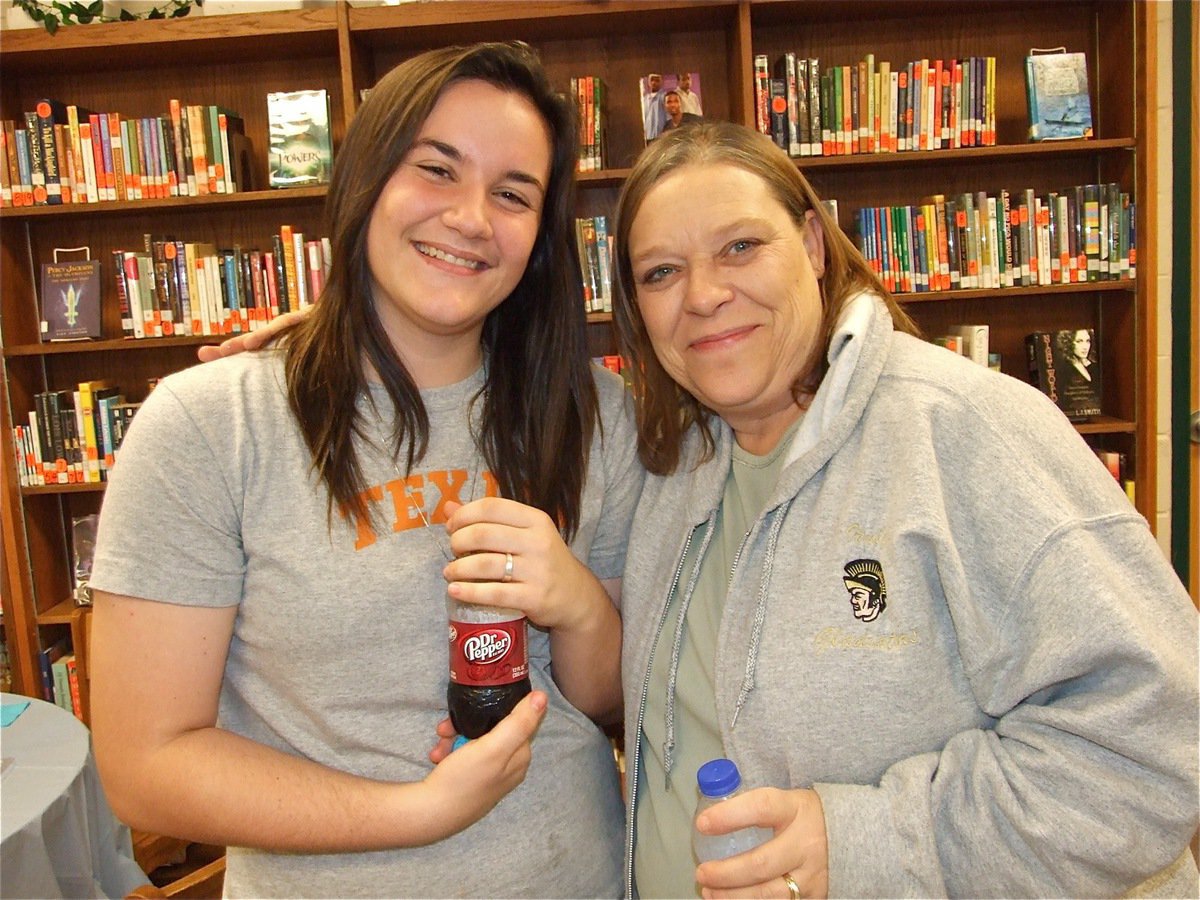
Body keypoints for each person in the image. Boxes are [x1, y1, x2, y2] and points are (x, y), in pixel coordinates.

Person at [89, 42, 642, 898]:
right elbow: (144, 764)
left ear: (539, 236)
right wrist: (417, 812)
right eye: (436, 169)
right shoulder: (209, 426)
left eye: (512, 193)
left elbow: (605, 699)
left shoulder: (594, 414)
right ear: (366, 181)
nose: (470, 217)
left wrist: (573, 601)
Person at [609, 121, 1199, 899]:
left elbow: (1153, 747)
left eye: (741, 247)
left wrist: (861, 843)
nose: (705, 295)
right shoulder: (670, 464)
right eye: (660, 272)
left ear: (814, 248)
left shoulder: (967, 428)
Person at [642, 72, 667, 141]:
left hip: (661, 136)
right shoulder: (644, 99)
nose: (654, 82)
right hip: (647, 136)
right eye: (652, 80)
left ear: (661, 81)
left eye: (657, 80)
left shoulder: (665, 97)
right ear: (648, 81)